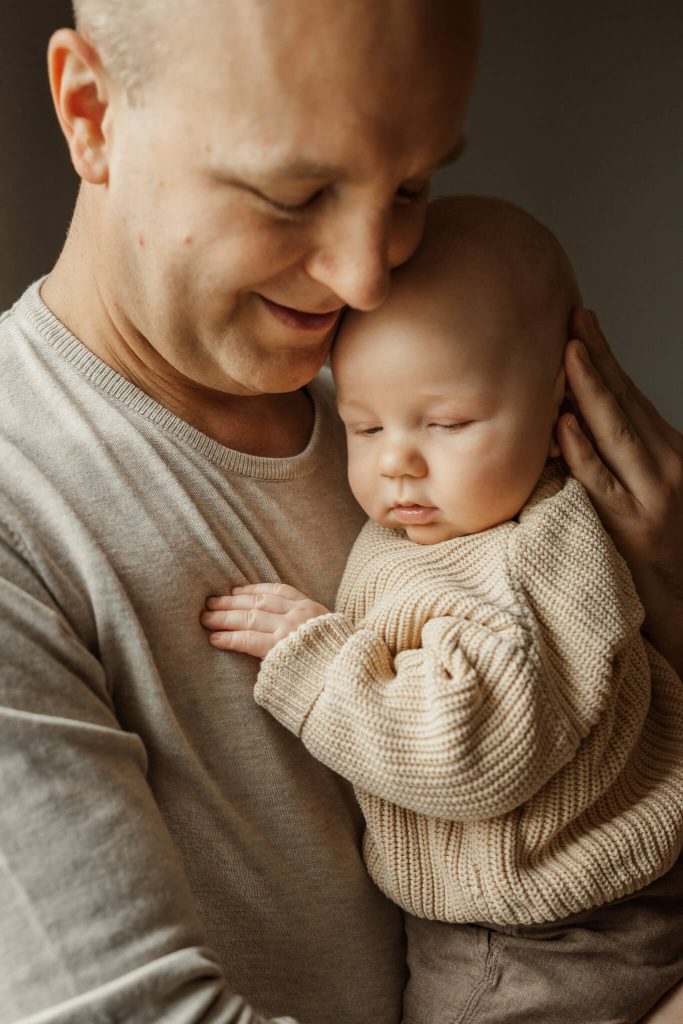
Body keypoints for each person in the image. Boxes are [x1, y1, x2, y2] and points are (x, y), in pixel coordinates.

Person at [1, 0, 682, 1021]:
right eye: (293, 194)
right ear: (91, 112)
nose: (366, 277)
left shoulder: (433, 444)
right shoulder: (23, 508)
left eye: (408, 187)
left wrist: (666, 596)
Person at [200, 195, 683, 1023]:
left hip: (541, 942)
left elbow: (474, 747)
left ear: (559, 414)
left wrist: (318, 661)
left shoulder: (532, 560)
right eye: (363, 427)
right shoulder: (464, 518)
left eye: (447, 423)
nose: (398, 462)